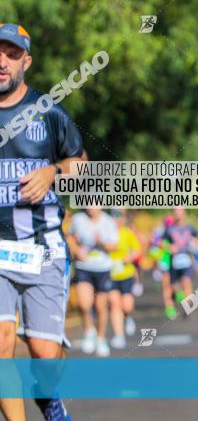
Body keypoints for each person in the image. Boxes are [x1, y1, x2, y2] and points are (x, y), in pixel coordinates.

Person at [0, 23, 85, 421]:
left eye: (11, 53)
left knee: (43, 356)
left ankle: (48, 397)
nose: (2, 61)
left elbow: (80, 166)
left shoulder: (48, 111)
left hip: (43, 248)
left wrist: (52, 172)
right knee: (1, 344)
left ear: (26, 62)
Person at [68, 206, 118, 357]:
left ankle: (101, 338)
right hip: (84, 267)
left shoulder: (108, 222)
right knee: (84, 304)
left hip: (102, 268)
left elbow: (114, 246)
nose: (91, 207)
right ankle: (89, 330)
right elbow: (69, 237)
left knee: (101, 306)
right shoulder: (78, 219)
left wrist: (101, 242)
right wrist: (76, 250)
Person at [108, 215, 141, 348]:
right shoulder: (107, 232)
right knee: (115, 305)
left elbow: (137, 249)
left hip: (126, 273)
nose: (116, 220)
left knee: (126, 306)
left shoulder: (127, 233)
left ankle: (127, 317)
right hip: (110, 274)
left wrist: (130, 257)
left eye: (118, 217)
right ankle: (119, 336)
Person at [161, 207, 197, 320]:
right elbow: (161, 242)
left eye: (180, 210)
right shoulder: (169, 230)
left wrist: (195, 244)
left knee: (187, 282)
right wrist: (169, 247)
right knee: (174, 287)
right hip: (174, 262)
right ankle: (180, 296)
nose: (178, 213)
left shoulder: (190, 228)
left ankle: (188, 308)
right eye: (175, 210)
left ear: (184, 212)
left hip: (187, 261)